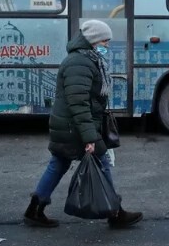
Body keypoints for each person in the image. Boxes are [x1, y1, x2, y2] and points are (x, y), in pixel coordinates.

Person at [23, 20, 143, 229]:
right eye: (104, 40)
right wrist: (90, 137)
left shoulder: (85, 59)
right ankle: (115, 212)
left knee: (58, 163)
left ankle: (34, 209)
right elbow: (79, 103)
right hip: (75, 127)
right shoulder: (80, 63)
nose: (106, 45)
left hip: (68, 126)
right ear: (94, 40)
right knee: (102, 161)